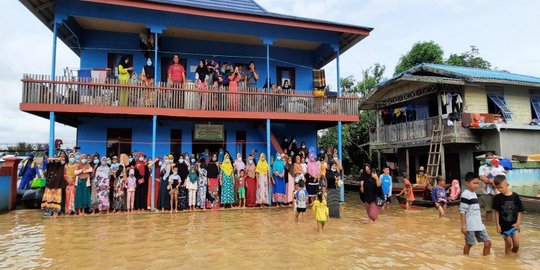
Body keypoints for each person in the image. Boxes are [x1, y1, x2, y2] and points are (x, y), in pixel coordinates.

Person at [460, 172, 491, 256]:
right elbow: (462, 211)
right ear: (467, 183)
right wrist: (463, 226)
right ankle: (465, 259)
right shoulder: (465, 194)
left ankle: (486, 262)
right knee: (469, 244)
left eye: (478, 183)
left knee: (488, 243)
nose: (476, 185)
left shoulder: (474, 194)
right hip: (470, 226)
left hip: (479, 224)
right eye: (474, 183)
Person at [493, 175, 524, 255]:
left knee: (516, 245)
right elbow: (497, 212)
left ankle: (513, 259)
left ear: (507, 184)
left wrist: (518, 222)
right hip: (503, 226)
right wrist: (498, 225)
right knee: (508, 244)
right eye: (498, 188)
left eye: (501, 187)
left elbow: (520, 210)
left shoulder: (515, 196)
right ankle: (508, 260)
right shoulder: (497, 198)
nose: (500, 189)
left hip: (514, 225)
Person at [41, 151, 67, 219]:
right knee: (48, 199)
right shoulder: (52, 164)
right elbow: (47, 160)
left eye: (63, 155)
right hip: (49, 184)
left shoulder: (62, 164)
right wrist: (54, 159)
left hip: (57, 185)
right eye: (60, 155)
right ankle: (48, 213)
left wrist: (57, 158)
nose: (62, 156)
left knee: (56, 199)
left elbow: (63, 160)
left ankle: (56, 213)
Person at [478, 152, 497, 221]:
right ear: (485, 159)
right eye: (488, 158)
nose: (489, 159)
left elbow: (501, 178)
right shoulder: (482, 167)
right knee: (489, 210)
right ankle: (489, 225)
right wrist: (493, 181)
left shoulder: (497, 167)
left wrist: (488, 180)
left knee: (499, 210)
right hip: (487, 192)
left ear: (493, 158)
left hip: (497, 192)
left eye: (491, 158)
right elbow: (482, 178)